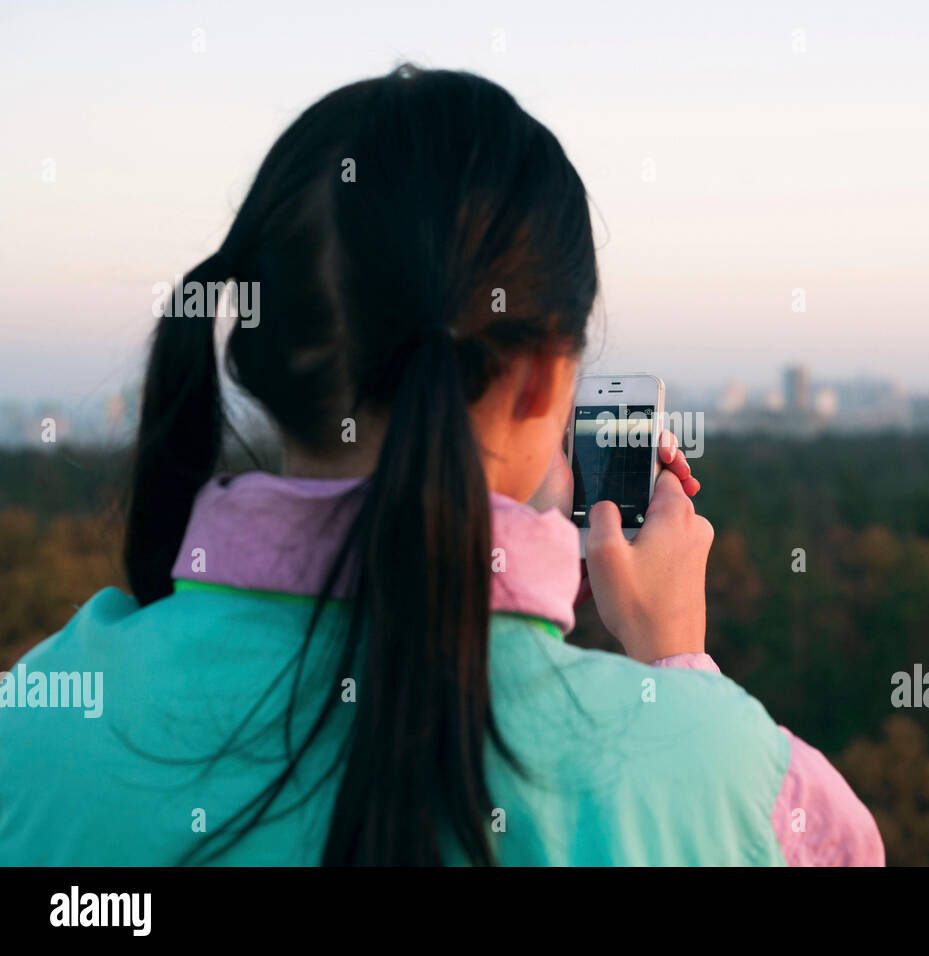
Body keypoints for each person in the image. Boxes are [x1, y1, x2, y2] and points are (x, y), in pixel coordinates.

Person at [0, 66, 883, 866]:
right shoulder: (718, 776)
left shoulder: (38, 723)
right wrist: (677, 663)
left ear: (252, 361)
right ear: (546, 382)